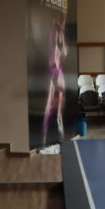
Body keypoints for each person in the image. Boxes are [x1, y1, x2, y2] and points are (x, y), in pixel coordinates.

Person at [42, 11, 67, 145]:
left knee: (57, 109)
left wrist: (61, 26)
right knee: (49, 107)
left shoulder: (59, 41)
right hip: (55, 73)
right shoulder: (53, 39)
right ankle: (45, 136)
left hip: (57, 74)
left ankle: (56, 135)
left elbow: (64, 52)